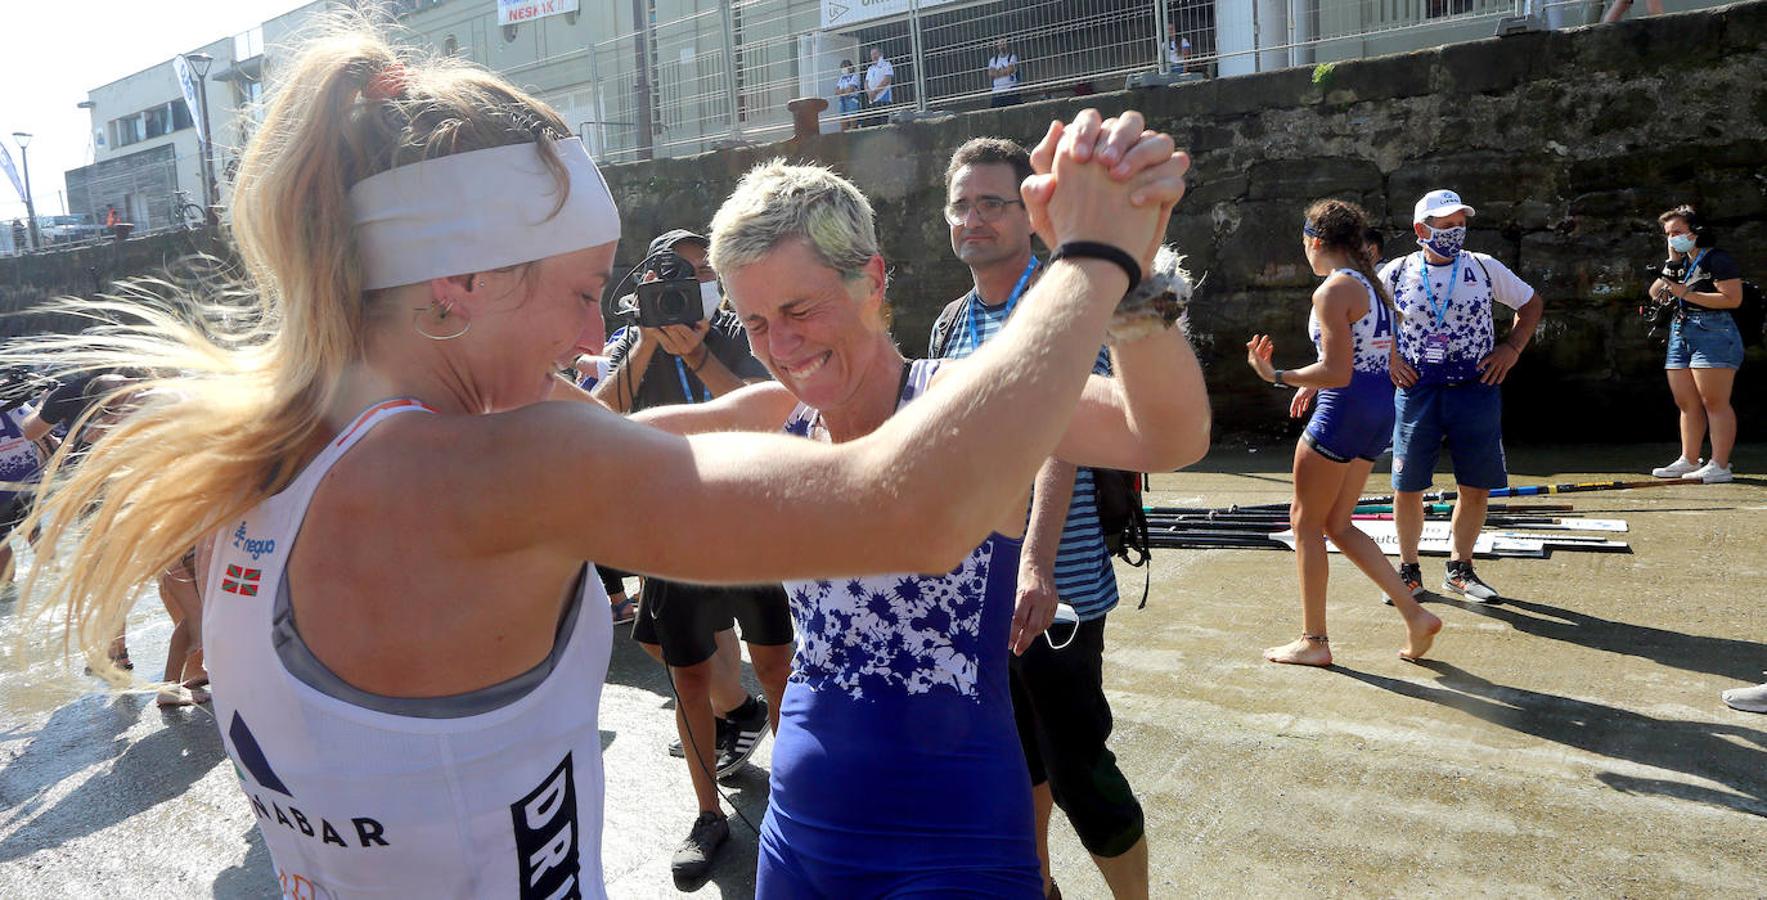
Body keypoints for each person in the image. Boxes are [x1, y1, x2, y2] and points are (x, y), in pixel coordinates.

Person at [3, 14, 1192, 896]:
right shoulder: (508, 467)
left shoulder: (261, 441)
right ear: (458, 286)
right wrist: (1097, 259)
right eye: (580, 293)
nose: (594, 337)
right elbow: (913, 505)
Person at [631, 126, 1207, 896]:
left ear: (870, 280)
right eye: (756, 321)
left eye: (797, 307)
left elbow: (1165, 434)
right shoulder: (772, 413)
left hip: (953, 837)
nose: (780, 345)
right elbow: (601, 452)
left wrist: (1136, 266)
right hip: (799, 835)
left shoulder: (959, 400)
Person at [932, 137, 1147, 900]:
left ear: (1029, 213)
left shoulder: (1059, 299)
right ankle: (1037, 885)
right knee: (1013, 755)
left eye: (992, 203)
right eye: (961, 205)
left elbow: (1065, 436)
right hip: (985, 585)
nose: (973, 219)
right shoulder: (951, 323)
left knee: (1079, 765)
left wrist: (1035, 564)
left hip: (1059, 585)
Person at [595, 227, 790, 885]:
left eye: (703, 275)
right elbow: (597, 420)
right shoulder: (634, 340)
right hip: (673, 535)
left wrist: (701, 352)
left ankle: (800, 797)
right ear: (649, 287)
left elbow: (766, 414)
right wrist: (649, 339)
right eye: (676, 277)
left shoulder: (737, 329)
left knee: (777, 663)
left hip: (749, 525)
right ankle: (708, 814)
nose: (692, 288)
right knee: (688, 676)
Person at [1244, 199, 1442, 668]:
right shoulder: (1373, 286)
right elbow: (1365, 362)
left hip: (1343, 413)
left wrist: (1275, 375)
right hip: (1377, 412)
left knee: (1305, 525)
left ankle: (1314, 640)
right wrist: (1312, 384)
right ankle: (1415, 614)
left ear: (1314, 241)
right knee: (1338, 523)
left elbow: (1335, 372)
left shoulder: (1333, 291)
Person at [1381, 189, 1544, 604]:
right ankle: (1408, 570)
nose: (1456, 231)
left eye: (1460, 223)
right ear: (1422, 229)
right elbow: (1364, 318)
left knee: (1475, 485)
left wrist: (1511, 348)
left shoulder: (1483, 268)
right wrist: (1391, 358)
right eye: (1446, 224)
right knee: (1407, 485)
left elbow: (1530, 304)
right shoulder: (1397, 272)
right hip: (1418, 390)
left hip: (1476, 388)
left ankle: (1460, 568)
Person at [1647, 205, 1743, 484]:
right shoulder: (1681, 263)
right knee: (1686, 401)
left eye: (1678, 232)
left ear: (1696, 231)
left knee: (1714, 401)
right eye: (1668, 234)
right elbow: (1656, 293)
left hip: (1713, 330)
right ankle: (1688, 458)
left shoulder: (1718, 260)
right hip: (1681, 330)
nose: (1673, 238)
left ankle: (1720, 464)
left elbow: (1732, 299)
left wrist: (1686, 293)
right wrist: (1671, 261)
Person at [864, 47, 894, 126]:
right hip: (872, 100)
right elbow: (866, 83)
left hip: (883, 99)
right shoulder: (870, 68)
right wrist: (869, 92)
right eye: (872, 55)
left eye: (875, 53)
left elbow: (887, 80)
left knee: (884, 124)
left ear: (881, 54)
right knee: (874, 124)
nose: (873, 56)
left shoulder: (886, 64)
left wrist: (875, 92)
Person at [988, 38, 1022, 108]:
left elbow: (1011, 69)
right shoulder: (993, 60)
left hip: (1010, 90)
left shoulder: (1012, 57)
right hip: (997, 92)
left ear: (1007, 45)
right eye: (1000, 45)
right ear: (997, 46)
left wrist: (998, 72)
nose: (1002, 46)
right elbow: (991, 73)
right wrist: (1005, 71)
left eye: (1004, 44)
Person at [834, 59, 861, 127]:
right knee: (842, 119)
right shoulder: (842, 78)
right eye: (842, 67)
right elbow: (836, 91)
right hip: (842, 100)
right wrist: (844, 91)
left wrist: (842, 91)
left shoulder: (854, 76)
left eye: (845, 66)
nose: (844, 69)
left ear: (850, 67)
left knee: (853, 119)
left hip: (852, 100)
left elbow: (850, 90)